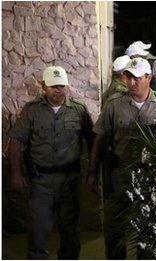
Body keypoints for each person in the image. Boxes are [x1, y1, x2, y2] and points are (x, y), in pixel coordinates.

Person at [88, 57, 156, 259]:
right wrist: (92, 170)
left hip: (151, 176)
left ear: (148, 77)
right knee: (115, 228)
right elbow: (100, 138)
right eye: (128, 77)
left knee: (149, 230)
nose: (132, 82)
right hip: (121, 174)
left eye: (137, 78)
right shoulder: (114, 104)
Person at [8, 66, 93, 259]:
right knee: (38, 232)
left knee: (70, 231)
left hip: (70, 180)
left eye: (62, 86)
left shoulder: (79, 110)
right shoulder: (32, 111)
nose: (58, 90)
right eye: (54, 86)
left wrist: (93, 170)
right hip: (40, 182)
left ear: (67, 86)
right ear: (44, 86)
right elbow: (16, 139)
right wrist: (15, 173)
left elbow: (93, 138)